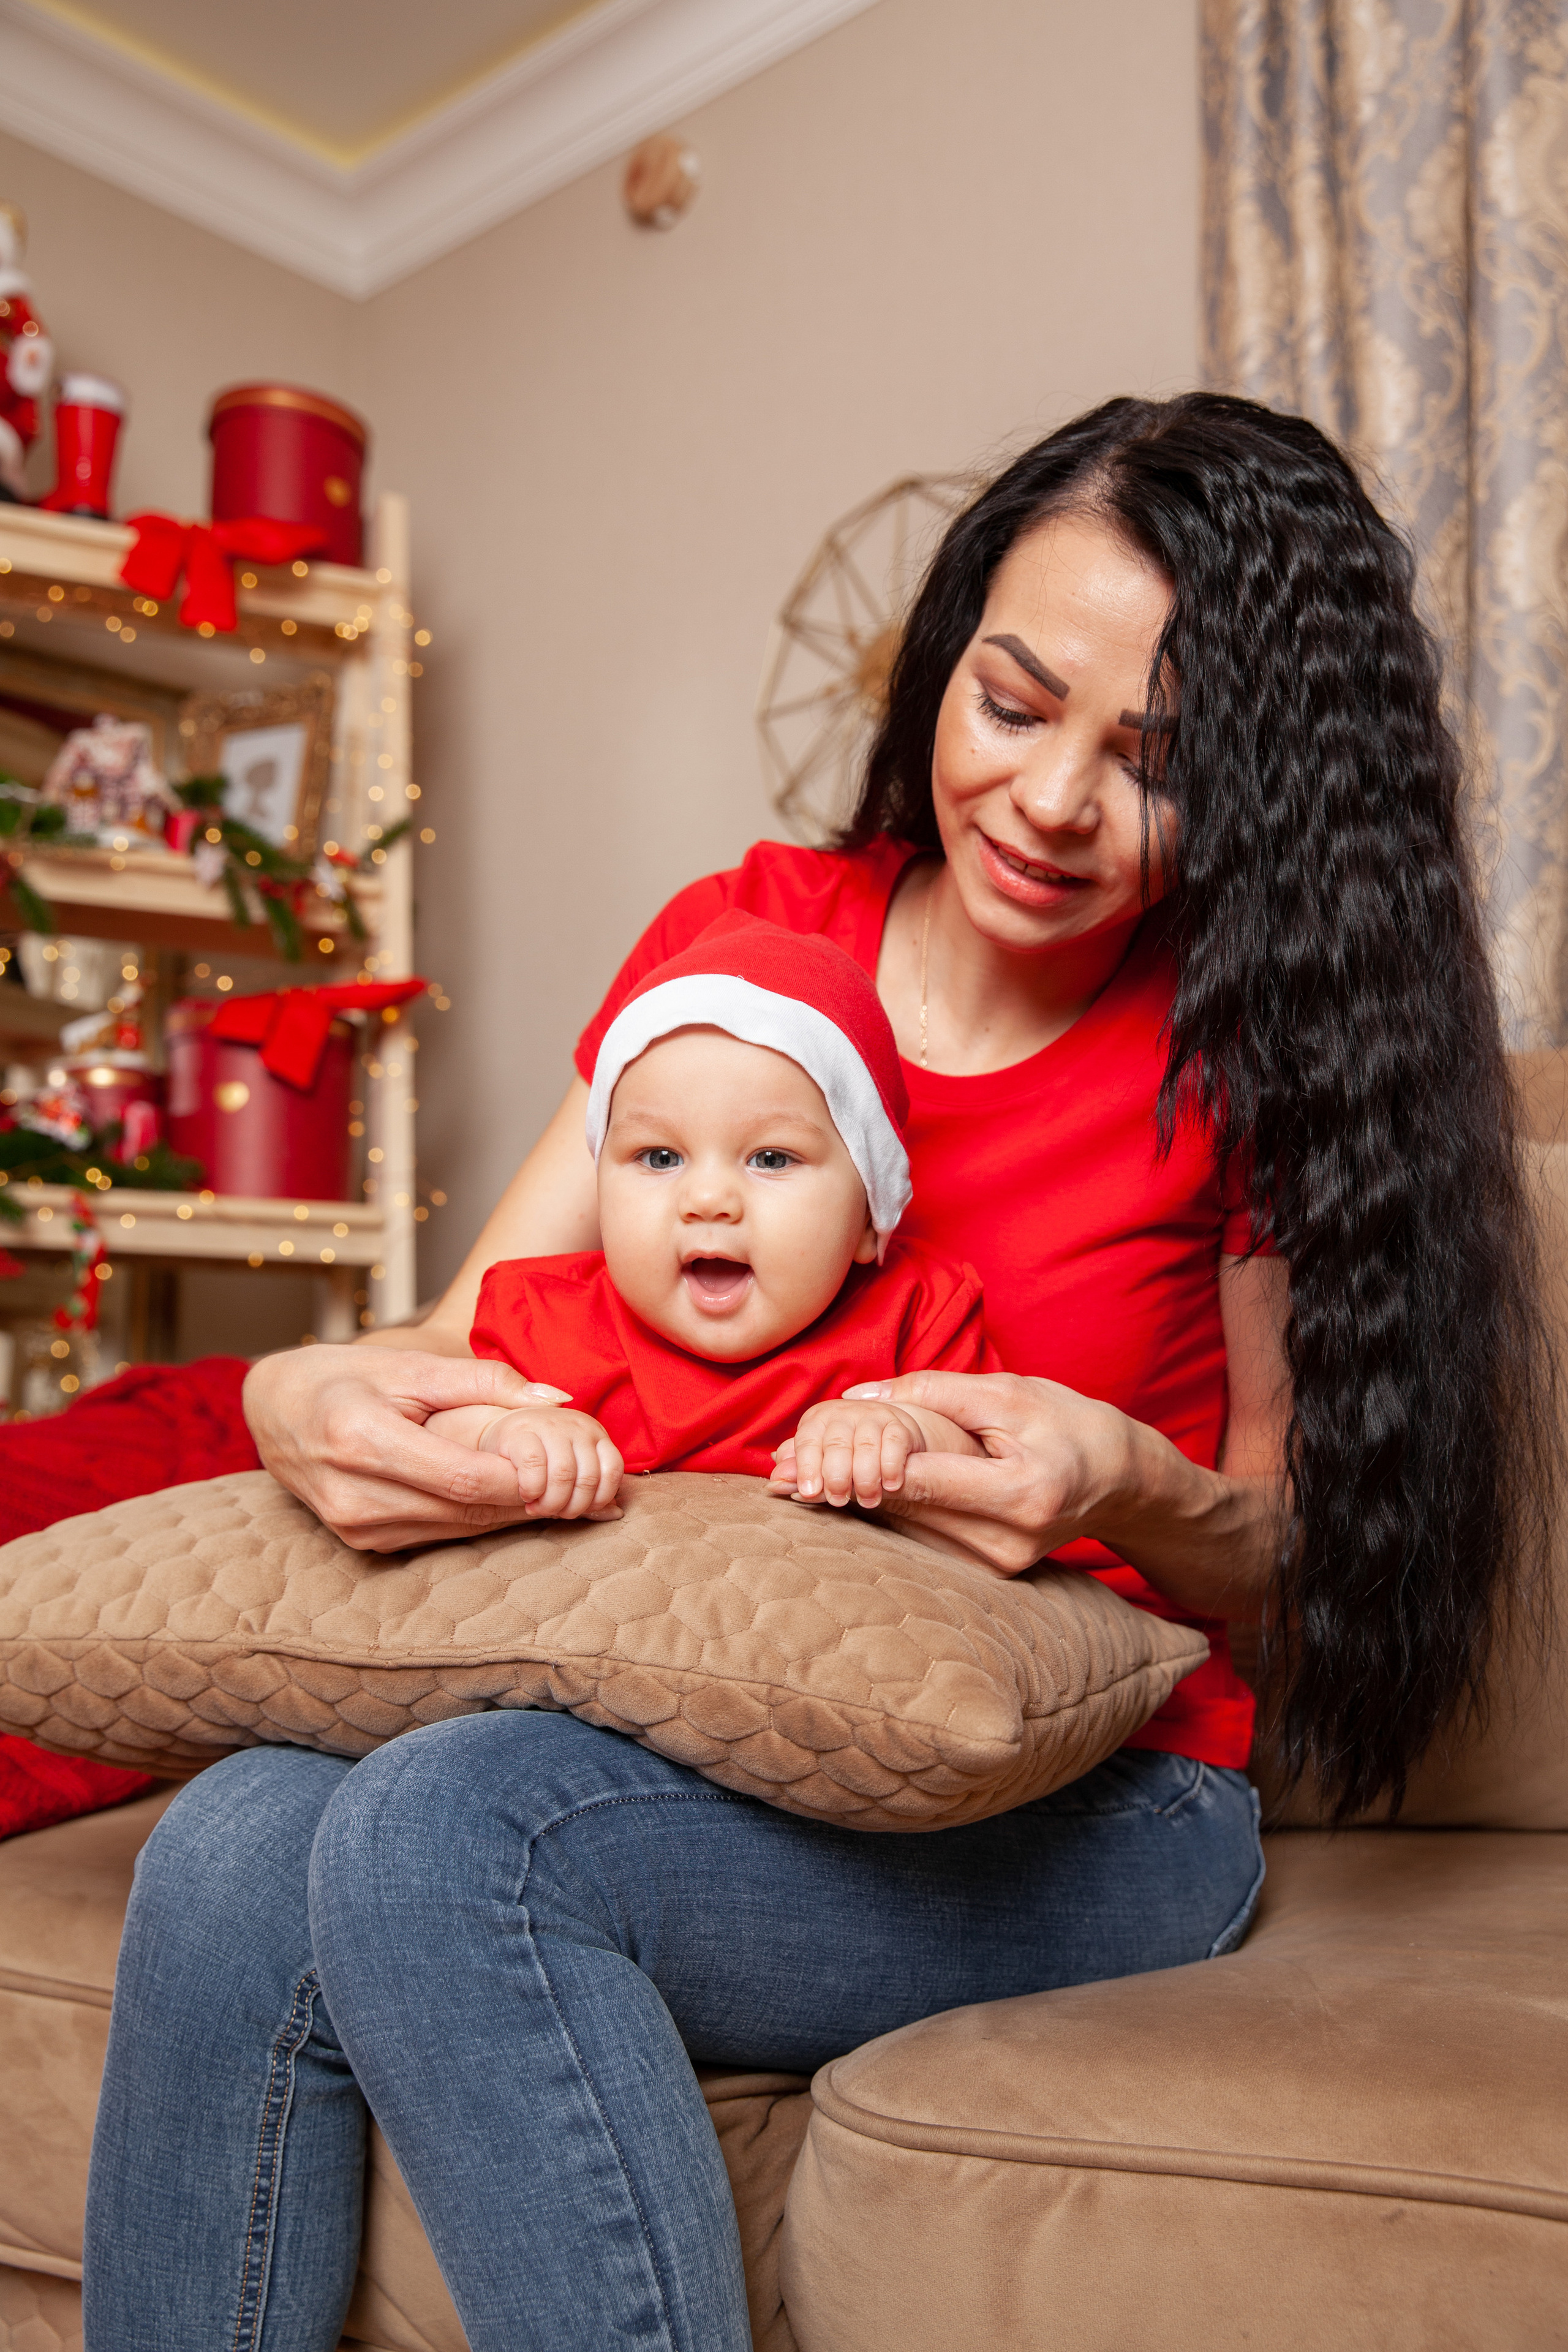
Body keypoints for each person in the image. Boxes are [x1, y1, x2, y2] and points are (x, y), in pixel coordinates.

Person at [84, 394, 1553, 2352]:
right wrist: (289, 1398)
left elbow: (1290, 1562)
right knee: (231, 1836)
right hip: (689, 1715)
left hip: (1097, 1800)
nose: (1046, 799)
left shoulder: (1256, 1054)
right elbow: (466, 1340)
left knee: (450, 1835)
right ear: (944, 656)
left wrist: (1121, 1475)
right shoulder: (745, 940)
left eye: (1155, 762)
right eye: (1013, 702)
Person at [438, 911, 998, 1507]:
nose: (707, 1201)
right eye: (658, 1157)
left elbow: (986, 1455)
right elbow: (436, 1429)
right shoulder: (543, 1323)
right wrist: (502, 1432)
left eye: (771, 1159)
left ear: (868, 1219)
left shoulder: (915, 1318)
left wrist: (905, 1432)